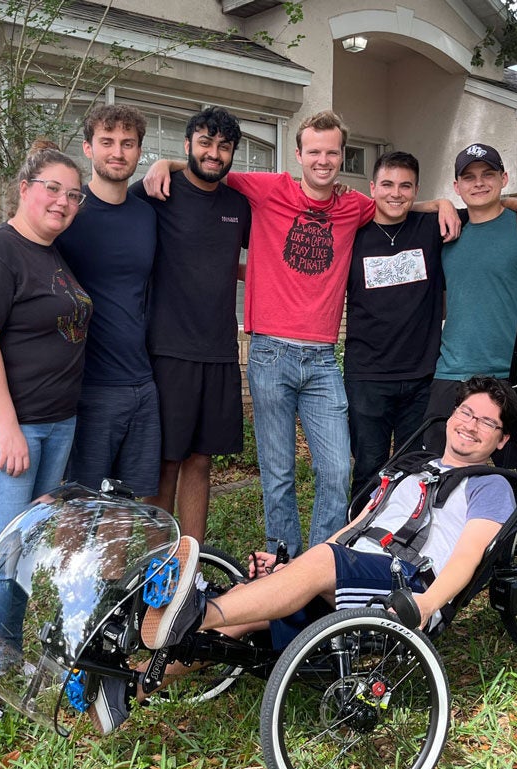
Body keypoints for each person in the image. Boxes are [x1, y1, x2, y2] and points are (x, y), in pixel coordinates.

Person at [88, 375, 517, 733]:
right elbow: (350, 533)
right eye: (466, 412)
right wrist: (288, 573)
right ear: (450, 416)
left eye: (487, 422)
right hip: (349, 573)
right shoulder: (405, 468)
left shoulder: (490, 486)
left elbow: (467, 558)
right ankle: (132, 687)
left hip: (407, 589)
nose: (471, 424)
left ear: (500, 441)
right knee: (253, 607)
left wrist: (427, 602)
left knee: (319, 562)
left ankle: (195, 611)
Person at [143, 111, 459, 556]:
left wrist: (442, 203)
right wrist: (167, 164)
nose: (323, 160)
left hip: (323, 359)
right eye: (314, 152)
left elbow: (398, 203)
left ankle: (319, 567)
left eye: (332, 152)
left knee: (334, 471)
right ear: (299, 155)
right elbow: (213, 169)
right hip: (270, 353)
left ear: (340, 156)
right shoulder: (268, 189)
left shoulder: (355, 206)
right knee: (278, 475)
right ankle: (281, 562)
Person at [0, 143, 92, 740]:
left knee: (23, 550)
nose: (62, 200)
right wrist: (8, 425)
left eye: (72, 194)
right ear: (24, 187)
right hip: (1, 420)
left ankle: (3, 667)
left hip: (55, 421)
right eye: (51, 188)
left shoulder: (52, 255)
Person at [345, 151, 517, 504]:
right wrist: (439, 201)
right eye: (388, 185)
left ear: (416, 190)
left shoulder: (433, 227)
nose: (396, 193)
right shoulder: (353, 233)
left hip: (424, 374)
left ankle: (409, 543)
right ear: (372, 188)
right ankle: (363, 545)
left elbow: (485, 205)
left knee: (420, 466)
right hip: (368, 375)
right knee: (368, 467)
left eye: (406, 186)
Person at [129, 107, 252, 544]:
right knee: (165, 461)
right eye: (205, 143)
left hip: (219, 349)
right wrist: (162, 165)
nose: (214, 153)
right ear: (187, 145)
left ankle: (188, 564)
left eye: (224, 146)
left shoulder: (239, 206)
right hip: (167, 350)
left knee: (201, 461)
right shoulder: (156, 191)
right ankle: (153, 568)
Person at [425, 143, 517, 473]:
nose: (479, 183)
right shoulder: (448, 231)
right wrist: (440, 203)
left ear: (503, 178)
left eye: (488, 174)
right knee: (439, 476)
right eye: (469, 177)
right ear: (457, 187)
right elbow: (394, 206)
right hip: (453, 374)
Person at [56, 105, 161, 497]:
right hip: (89, 385)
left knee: (134, 506)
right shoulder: (67, 211)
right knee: (80, 506)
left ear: (139, 152)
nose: (118, 152)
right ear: (88, 148)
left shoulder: (147, 215)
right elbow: (19, 245)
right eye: (107, 142)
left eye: (128, 143)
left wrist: (170, 162)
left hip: (142, 383)